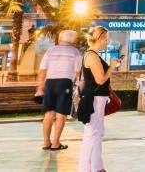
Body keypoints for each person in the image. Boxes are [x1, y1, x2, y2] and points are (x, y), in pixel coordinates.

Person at [77, 26, 122, 172]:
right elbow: (101, 79)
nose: (107, 41)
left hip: (97, 98)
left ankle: (97, 166)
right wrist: (112, 66)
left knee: (97, 133)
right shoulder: (92, 56)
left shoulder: (93, 55)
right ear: (98, 38)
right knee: (92, 134)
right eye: (105, 38)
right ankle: (85, 168)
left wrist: (111, 67)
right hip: (94, 99)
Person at [35, 30, 81, 151]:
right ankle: (56, 143)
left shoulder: (51, 50)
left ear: (60, 39)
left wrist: (40, 87)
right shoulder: (75, 52)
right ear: (72, 40)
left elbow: (42, 70)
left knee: (48, 114)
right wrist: (77, 85)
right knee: (61, 114)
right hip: (65, 83)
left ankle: (46, 143)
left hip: (50, 82)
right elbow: (78, 72)